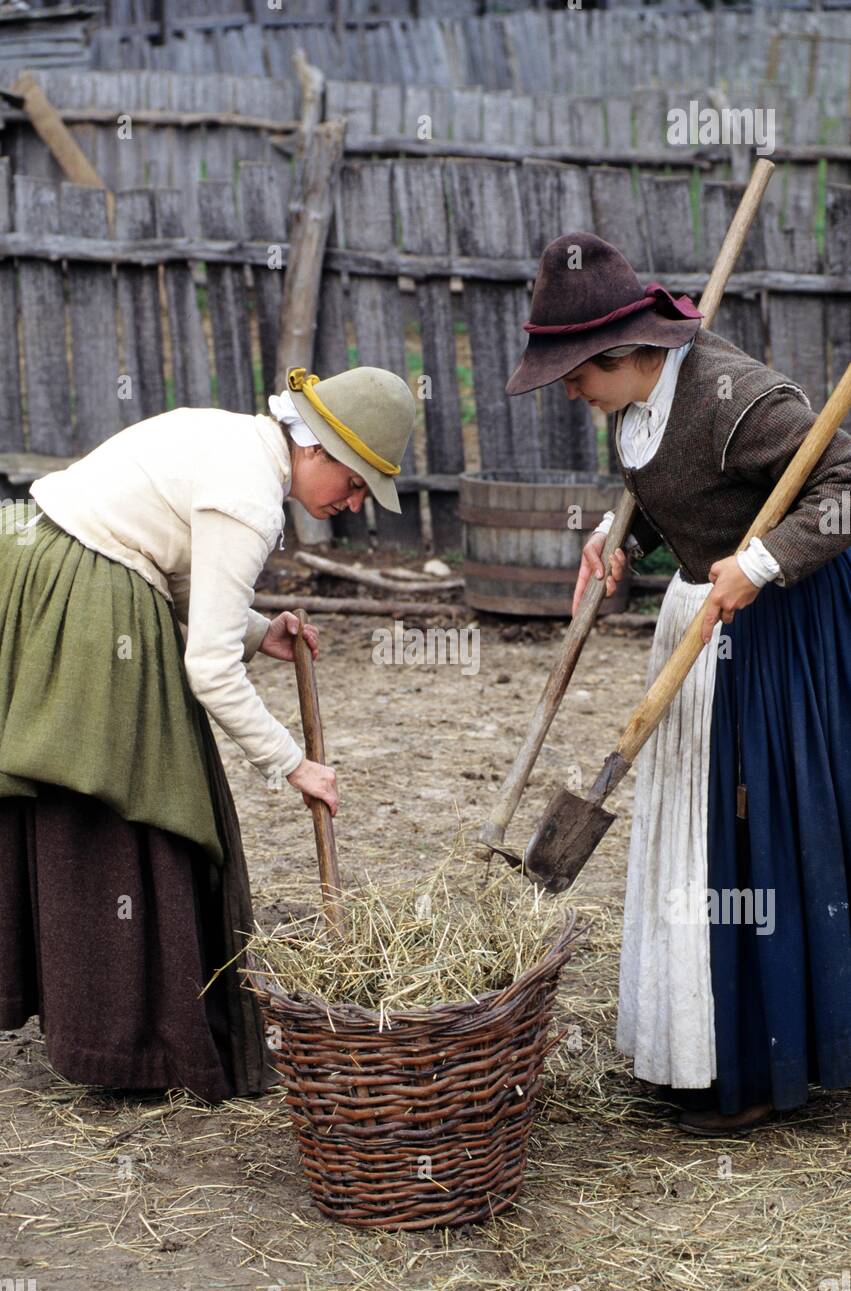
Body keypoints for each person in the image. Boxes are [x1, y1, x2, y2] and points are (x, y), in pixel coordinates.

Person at [506, 232, 851, 1136]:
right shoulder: (635, 408)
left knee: (750, 835)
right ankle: (695, 1048)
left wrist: (765, 563)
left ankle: (758, 1063)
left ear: (624, 355)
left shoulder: (738, 400)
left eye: (576, 375)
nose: (573, 394)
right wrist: (629, 541)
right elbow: (698, 498)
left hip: (778, 635)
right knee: (695, 836)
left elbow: (843, 489)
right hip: (706, 621)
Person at [0, 364, 415, 1103]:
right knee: (129, 796)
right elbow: (211, 672)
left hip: (35, 567)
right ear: (315, 447)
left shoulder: (231, 440)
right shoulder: (250, 498)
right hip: (91, 597)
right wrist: (293, 765)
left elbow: (180, 566)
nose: (350, 505)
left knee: (74, 789)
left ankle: (89, 1020)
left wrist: (261, 632)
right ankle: (124, 1044)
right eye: (354, 484)